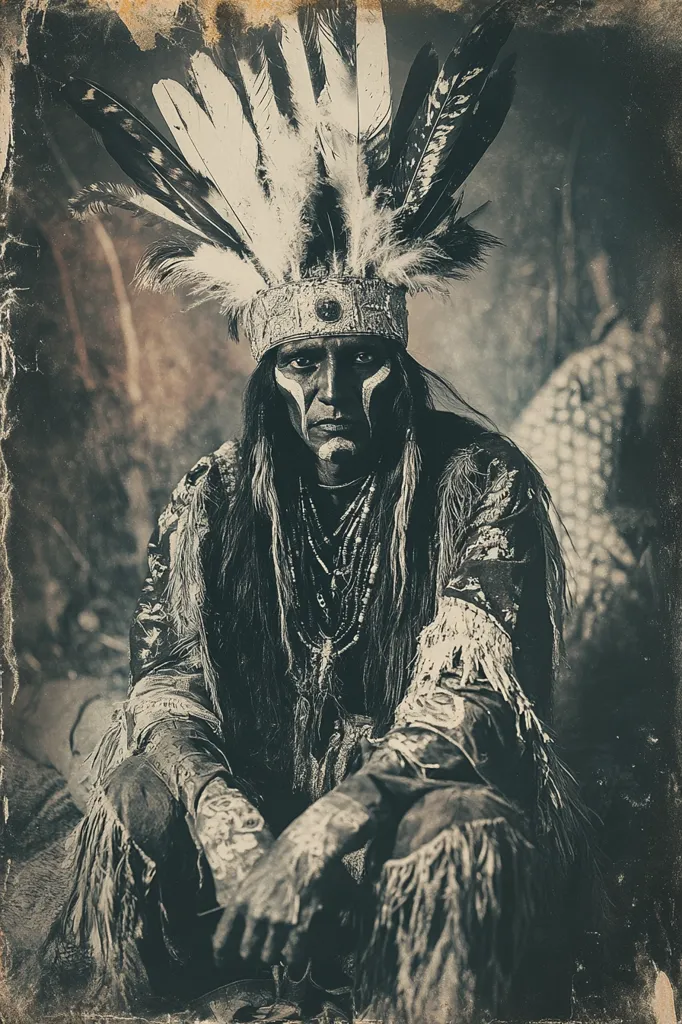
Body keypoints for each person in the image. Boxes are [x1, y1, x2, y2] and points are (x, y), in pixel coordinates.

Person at [50, 2, 586, 1020]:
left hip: (399, 818)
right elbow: (165, 685)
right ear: (269, 381)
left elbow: (470, 700)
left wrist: (331, 821)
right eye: (303, 364)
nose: (334, 392)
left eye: (362, 362)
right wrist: (221, 812)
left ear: (399, 367)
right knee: (135, 802)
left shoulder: (480, 480)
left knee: (463, 830)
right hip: (253, 820)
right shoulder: (211, 499)